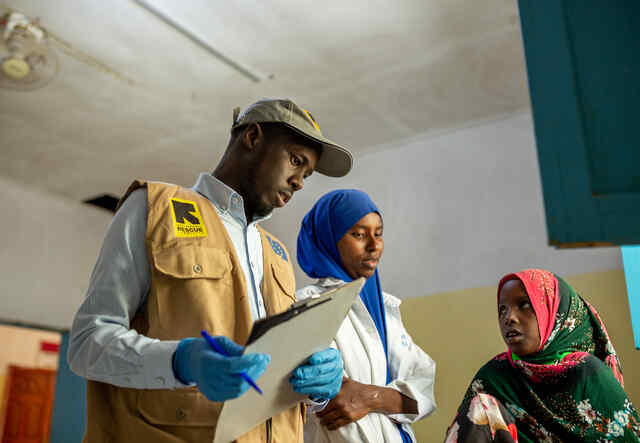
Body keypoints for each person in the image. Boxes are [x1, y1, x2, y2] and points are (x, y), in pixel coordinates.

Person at [68, 98, 354, 443]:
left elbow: (272, 378)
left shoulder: (276, 254)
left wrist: (317, 386)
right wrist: (180, 362)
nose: (300, 182)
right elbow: (86, 343)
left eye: (307, 174)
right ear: (252, 137)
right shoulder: (155, 208)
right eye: (296, 161)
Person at [296, 189, 436, 443]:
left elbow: (422, 390)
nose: (374, 245)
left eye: (378, 234)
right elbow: (320, 399)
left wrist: (372, 397)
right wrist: (389, 399)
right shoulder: (305, 307)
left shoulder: (383, 308)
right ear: (329, 239)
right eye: (359, 234)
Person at [445, 268, 640, 443]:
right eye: (502, 309)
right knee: (481, 408)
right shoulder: (494, 376)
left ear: (554, 313)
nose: (509, 318)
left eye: (524, 305)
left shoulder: (587, 373)